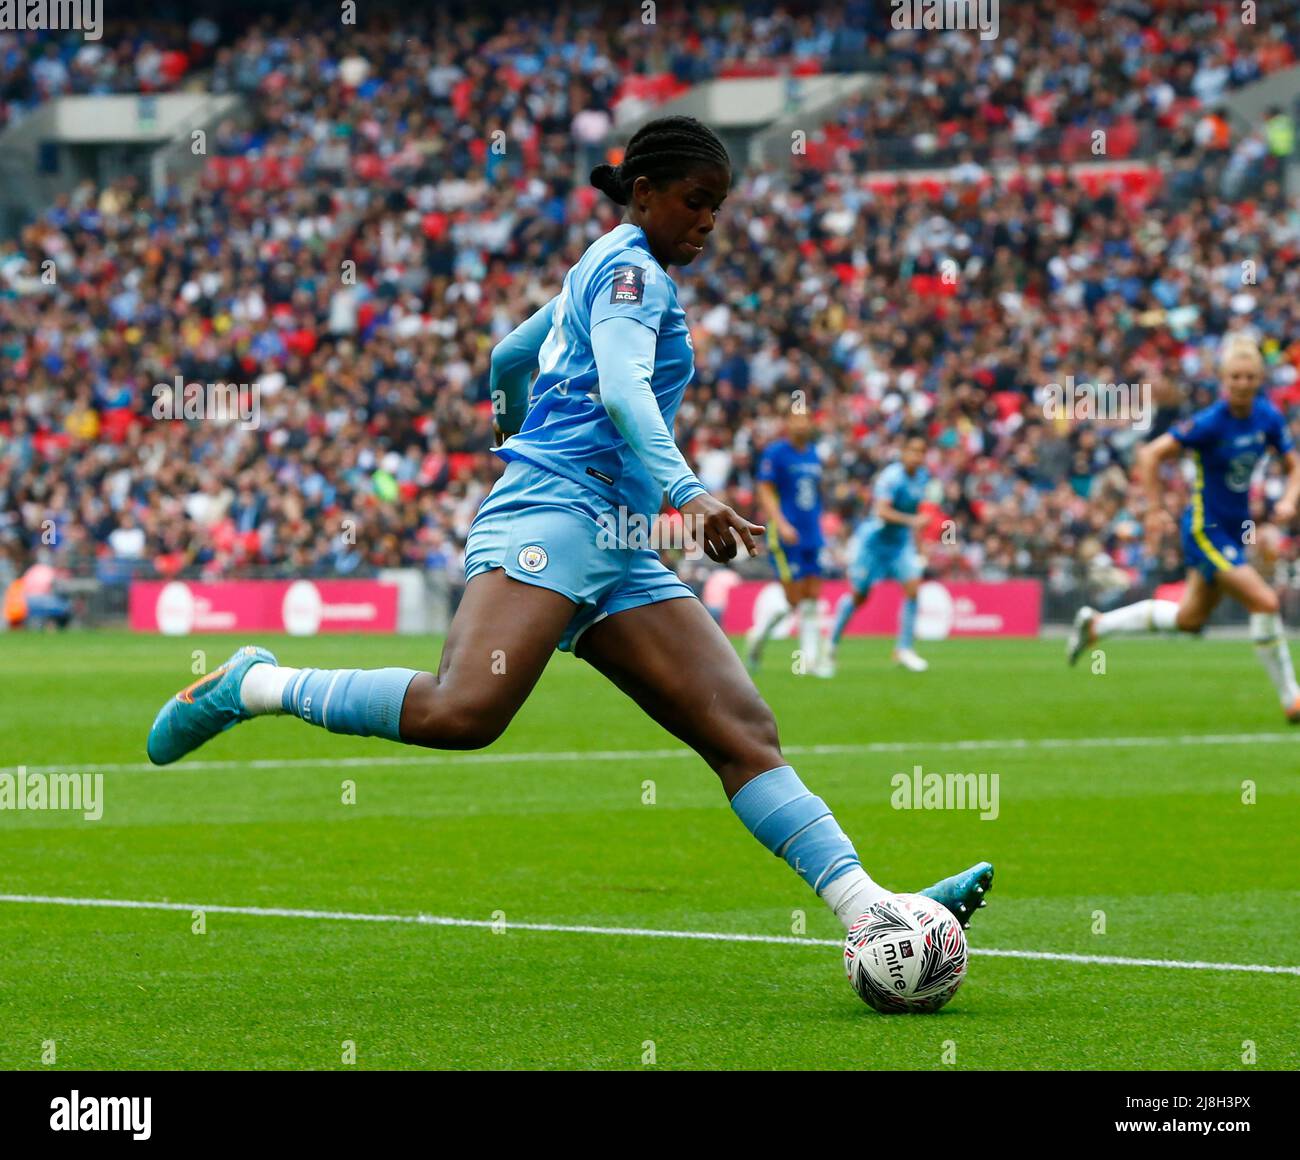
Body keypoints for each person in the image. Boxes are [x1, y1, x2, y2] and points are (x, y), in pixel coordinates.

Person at [148, 116, 992, 944]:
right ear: (646, 192)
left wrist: (511, 436)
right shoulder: (636, 278)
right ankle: (251, 686)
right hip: (558, 517)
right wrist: (682, 494)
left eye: (719, 207)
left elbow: (508, 359)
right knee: (463, 711)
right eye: (695, 201)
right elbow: (624, 389)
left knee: (741, 731)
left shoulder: (598, 266)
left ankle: (871, 907)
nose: (707, 221)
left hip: (616, 538)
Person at [1067, 336, 1300, 721]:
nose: (1243, 383)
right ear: (1223, 380)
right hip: (1205, 528)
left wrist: (1290, 499)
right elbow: (1151, 453)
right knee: (1266, 602)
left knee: (1190, 620)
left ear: (1260, 379)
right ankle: (1292, 698)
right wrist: (1156, 509)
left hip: (1234, 528)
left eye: (1250, 376)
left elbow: (1294, 463)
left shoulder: (1268, 418)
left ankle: (1097, 625)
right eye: (1236, 376)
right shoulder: (1210, 423)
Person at [829, 433, 932, 674]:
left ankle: (904, 649)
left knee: (913, 587)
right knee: (859, 597)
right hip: (873, 544)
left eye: (921, 452)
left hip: (899, 544)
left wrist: (919, 546)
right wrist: (912, 521)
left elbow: (917, 514)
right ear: (903, 452)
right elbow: (882, 511)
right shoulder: (891, 477)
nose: (917, 457)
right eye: (913, 451)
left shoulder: (923, 477)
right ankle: (831, 644)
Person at [745, 410, 830, 676]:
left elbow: (815, 493)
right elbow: (765, 490)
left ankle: (811, 661)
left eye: (806, 419)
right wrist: (781, 524)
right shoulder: (776, 453)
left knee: (812, 597)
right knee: (794, 599)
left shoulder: (814, 453)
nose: (801, 424)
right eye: (796, 419)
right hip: (786, 532)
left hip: (811, 532)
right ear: (787, 423)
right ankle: (758, 635)